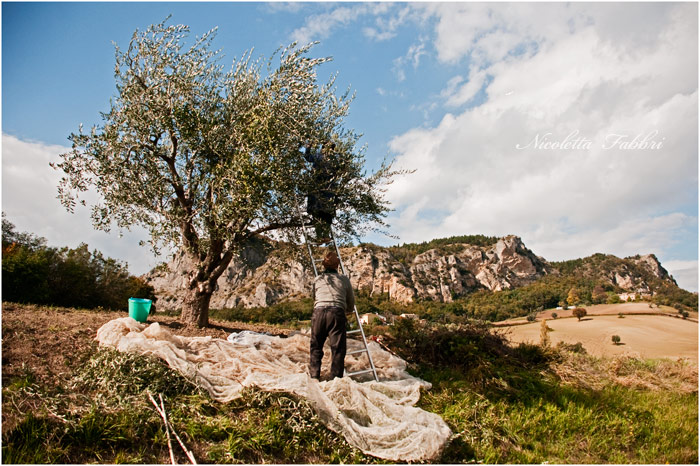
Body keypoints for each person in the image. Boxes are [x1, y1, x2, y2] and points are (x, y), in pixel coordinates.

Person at [309, 251, 355, 380]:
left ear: (324, 266)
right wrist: (347, 311)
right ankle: (335, 379)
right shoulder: (344, 279)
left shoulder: (317, 279)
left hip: (318, 312)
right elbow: (351, 302)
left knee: (316, 346)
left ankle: (314, 376)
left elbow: (314, 297)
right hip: (336, 313)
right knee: (338, 349)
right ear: (337, 266)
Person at [300, 140, 338, 243]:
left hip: (319, 189)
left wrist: (308, 147)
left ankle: (321, 236)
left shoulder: (320, 156)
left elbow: (308, 157)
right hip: (327, 190)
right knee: (323, 213)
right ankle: (323, 235)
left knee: (318, 212)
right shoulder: (334, 159)